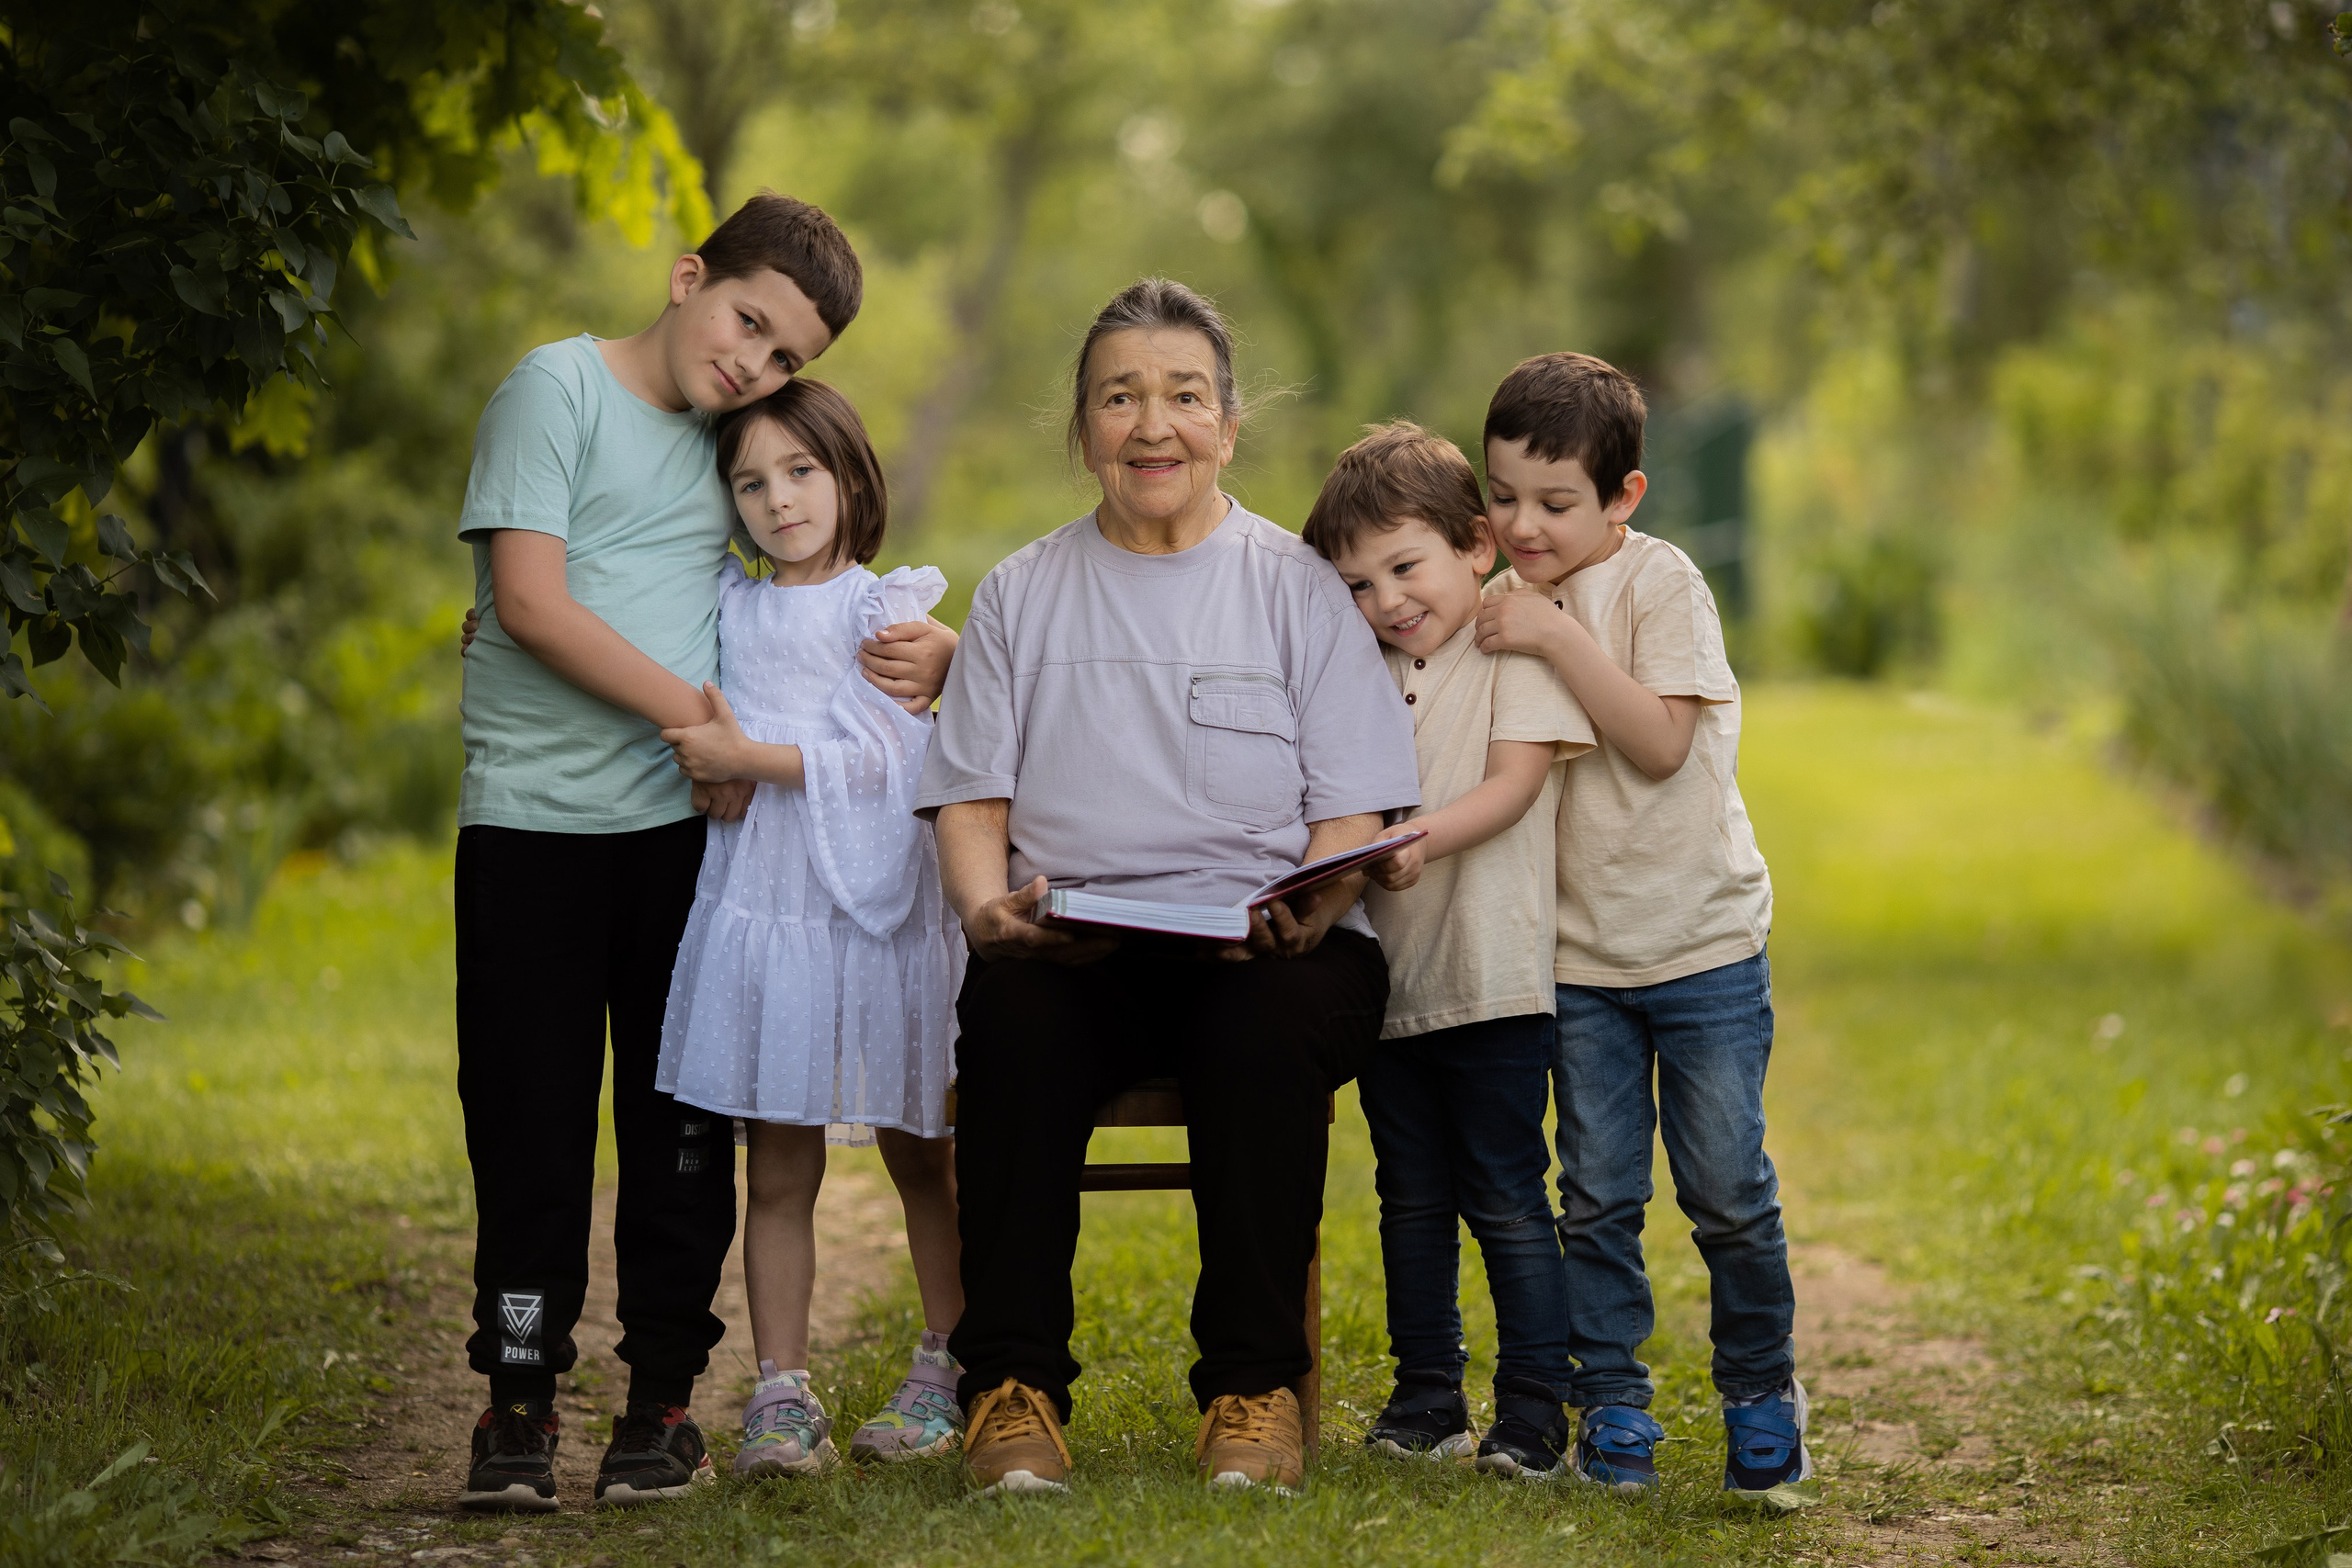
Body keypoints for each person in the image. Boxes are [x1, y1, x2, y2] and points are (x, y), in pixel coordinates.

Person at [450, 193, 956, 1514]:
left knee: (682, 1135)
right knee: (529, 1128)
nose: (755, 364)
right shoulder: (554, 387)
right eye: (747, 323)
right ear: (687, 278)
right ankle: (516, 1396)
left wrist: (955, 659)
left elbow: (802, 607)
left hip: (692, 841)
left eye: (787, 356)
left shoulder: (738, 443)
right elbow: (534, 595)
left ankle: (664, 1398)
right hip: (534, 825)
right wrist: (684, 708)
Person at [915, 278, 1420, 1496]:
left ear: (1229, 426)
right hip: (1074, 944)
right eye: (1120, 397)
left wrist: (1311, 895)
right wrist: (990, 913)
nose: (1154, 425)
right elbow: (972, 801)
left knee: (1262, 1029)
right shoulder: (1024, 592)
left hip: (1273, 947)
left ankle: (1254, 1392)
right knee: (1013, 1018)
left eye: (1184, 396)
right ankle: (1012, 1389)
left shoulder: (1298, 584)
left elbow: (1355, 800)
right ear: (1082, 429)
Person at [1471, 352, 1807, 1497]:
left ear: (1622, 497)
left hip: (1701, 943)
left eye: (1556, 503)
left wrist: (1559, 635)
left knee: (1723, 1187)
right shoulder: (1490, 598)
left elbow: (1660, 744)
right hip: (1574, 958)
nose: (1523, 524)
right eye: (1503, 495)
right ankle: (1613, 1405)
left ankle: (1760, 1388)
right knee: (1600, 1193)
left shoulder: (1660, 586)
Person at [652, 378, 966, 1478]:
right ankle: (781, 1391)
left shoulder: (882, 611)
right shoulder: (725, 608)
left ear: (849, 478)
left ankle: (947, 1363)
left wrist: (755, 762)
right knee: (775, 1167)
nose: (778, 500)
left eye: (801, 472)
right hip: (768, 904)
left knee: (922, 1153)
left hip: (879, 909)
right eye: (750, 480)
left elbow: (898, 762)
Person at [1301, 423, 1594, 1480]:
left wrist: (1410, 836)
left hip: (1497, 980)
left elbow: (1515, 786)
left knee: (1508, 1199)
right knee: (1408, 1197)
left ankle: (1531, 1413)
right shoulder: (1361, 668)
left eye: (1404, 566)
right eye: (1358, 584)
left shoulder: (1515, 642)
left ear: (1476, 545)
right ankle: (1426, 1397)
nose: (1386, 600)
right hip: (1394, 986)